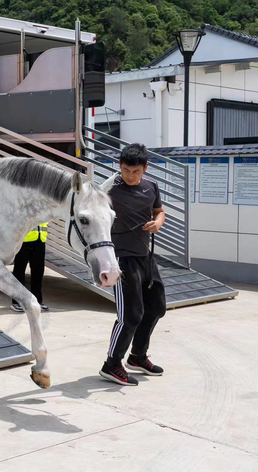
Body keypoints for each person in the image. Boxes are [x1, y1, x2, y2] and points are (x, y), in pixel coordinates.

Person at [99, 143, 167, 386]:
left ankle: (137, 357)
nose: (130, 175)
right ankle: (111, 364)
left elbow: (159, 212)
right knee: (130, 315)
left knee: (156, 307)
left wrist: (157, 223)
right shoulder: (109, 189)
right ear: (120, 166)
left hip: (145, 256)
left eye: (135, 171)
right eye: (126, 170)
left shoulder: (152, 186)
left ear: (145, 168)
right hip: (120, 258)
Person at [10, 223, 49, 313]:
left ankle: (37, 301)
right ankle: (17, 302)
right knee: (19, 271)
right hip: (24, 241)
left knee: (38, 272)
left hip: (40, 240)